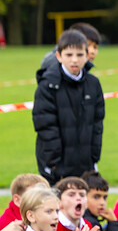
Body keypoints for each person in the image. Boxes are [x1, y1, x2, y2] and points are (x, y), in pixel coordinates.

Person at [33, 29, 105, 185]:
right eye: (69, 55)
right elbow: (45, 125)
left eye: (80, 55)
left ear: (87, 56)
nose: (74, 60)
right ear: (59, 56)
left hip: (85, 164)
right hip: (56, 167)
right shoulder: (48, 85)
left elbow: (97, 124)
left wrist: (93, 157)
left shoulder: (93, 84)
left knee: (82, 206)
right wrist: (53, 162)